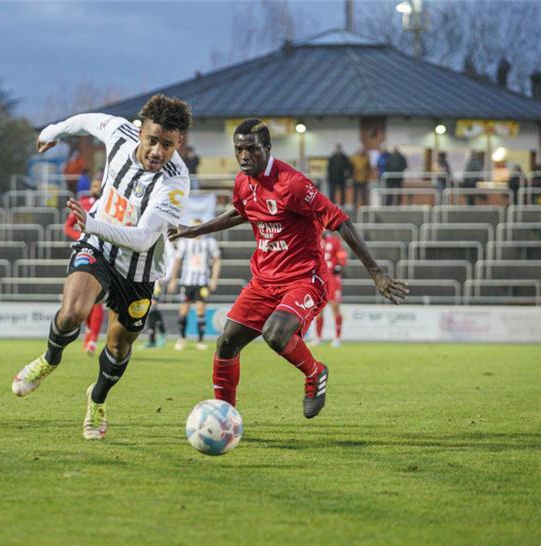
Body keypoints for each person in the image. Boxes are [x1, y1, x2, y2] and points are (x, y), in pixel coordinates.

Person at [171, 118, 408, 419]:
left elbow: (340, 220)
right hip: (264, 281)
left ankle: (315, 373)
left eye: (251, 149)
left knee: (275, 333)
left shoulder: (292, 184)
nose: (244, 156)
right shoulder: (243, 181)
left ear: (267, 149)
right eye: (239, 149)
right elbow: (242, 212)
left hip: (304, 279)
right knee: (226, 342)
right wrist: (195, 230)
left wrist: (376, 272)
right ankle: (224, 416)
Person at [11, 94, 192, 440]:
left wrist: (89, 223)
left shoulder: (175, 182)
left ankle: (96, 400)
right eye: (152, 140)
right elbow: (87, 120)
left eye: (167, 145)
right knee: (72, 313)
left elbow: (141, 239)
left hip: (138, 270)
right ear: (140, 132)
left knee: (119, 346)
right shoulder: (120, 133)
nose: (157, 151)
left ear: (178, 143)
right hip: (97, 248)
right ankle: (50, 359)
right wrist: (53, 130)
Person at [64, 176, 105, 355]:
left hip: (104, 254)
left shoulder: (110, 205)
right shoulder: (83, 203)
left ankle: (93, 339)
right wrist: (82, 238)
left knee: (98, 300)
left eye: (100, 185)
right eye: (95, 185)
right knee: (83, 296)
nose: (97, 187)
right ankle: (89, 334)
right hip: (84, 253)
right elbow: (68, 227)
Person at [168, 219, 221, 351]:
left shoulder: (209, 242)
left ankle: (200, 340)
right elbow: (177, 261)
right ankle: (182, 339)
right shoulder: (184, 242)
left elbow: (217, 260)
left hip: (202, 282)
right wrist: (174, 279)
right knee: (183, 312)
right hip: (187, 282)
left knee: (200, 311)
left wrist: (214, 279)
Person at [311, 231, 347, 348]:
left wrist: (339, 265)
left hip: (332, 278)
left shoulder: (334, 240)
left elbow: (342, 255)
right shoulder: (314, 240)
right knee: (318, 308)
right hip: (319, 278)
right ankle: (318, 338)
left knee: (334, 306)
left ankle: (337, 338)